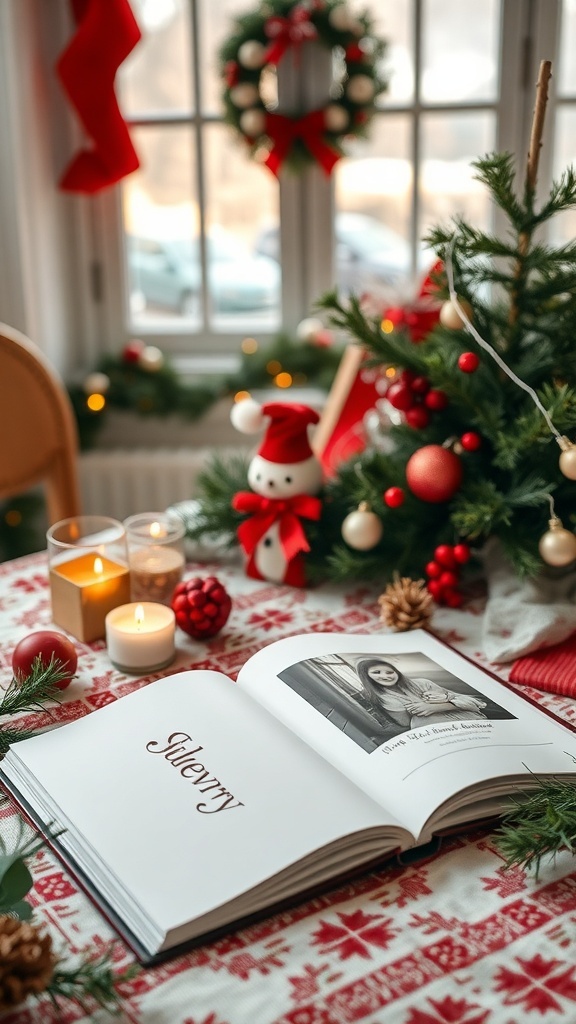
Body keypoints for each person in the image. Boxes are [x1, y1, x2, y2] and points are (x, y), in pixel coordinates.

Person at [355, 658, 487, 731]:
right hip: (442, 730)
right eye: (376, 672)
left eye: (390, 672)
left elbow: (476, 704)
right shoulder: (384, 699)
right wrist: (447, 701)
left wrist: (440, 706)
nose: (385, 676)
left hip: (474, 722)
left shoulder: (423, 683)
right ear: (367, 676)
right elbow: (405, 723)